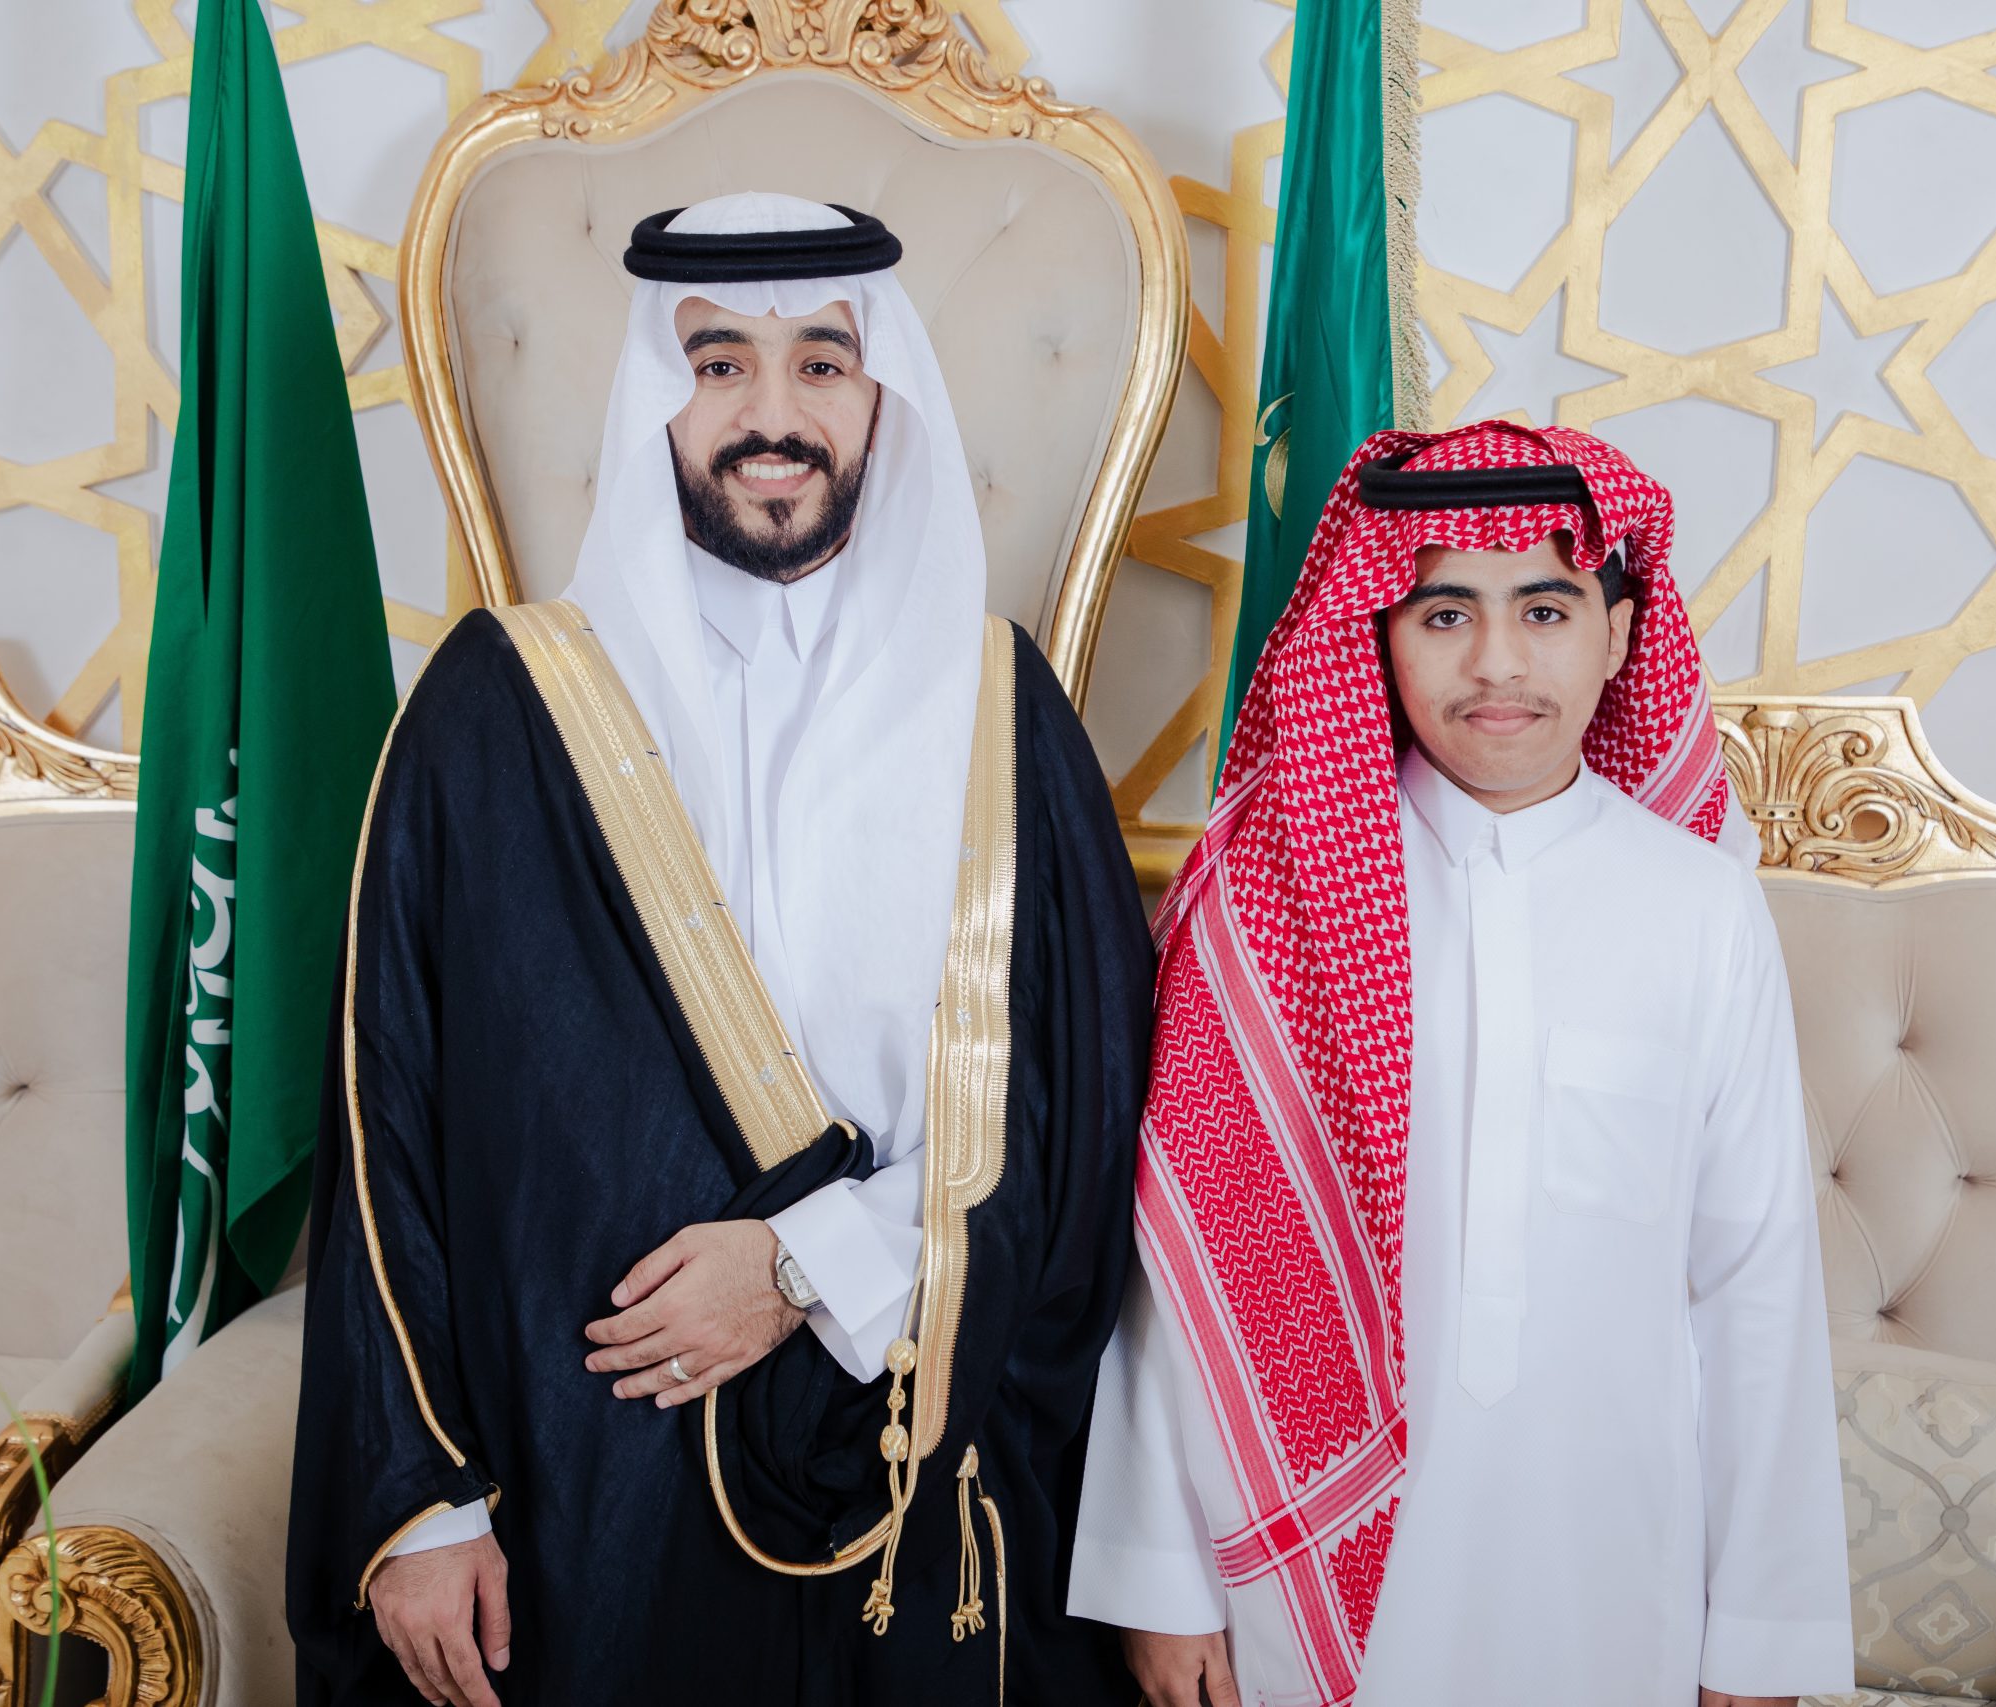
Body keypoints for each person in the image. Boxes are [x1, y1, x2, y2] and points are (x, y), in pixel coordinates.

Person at [286, 193, 1151, 1707]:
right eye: (717, 364)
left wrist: (808, 1268)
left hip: (910, 1457)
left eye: (821, 362)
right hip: (575, 1492)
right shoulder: (497, 710)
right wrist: (421, 1501)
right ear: (653, 396)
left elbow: (1079, 1125)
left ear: (881, 398)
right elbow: (385, 1123)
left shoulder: (999, 715)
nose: (771, 416)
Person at [1069, 422, 1852, 1706]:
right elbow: (1187, 1257)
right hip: (1289, 1567)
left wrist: (1762, 1634)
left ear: (1618, 632)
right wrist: (1156, 1573)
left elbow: (1754, 1285)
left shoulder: (1701, 908)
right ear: (1377, 635)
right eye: (1444, 615)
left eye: (1545, 609)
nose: (1497, 663)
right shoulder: (1270, 908)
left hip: (1613, 1557)